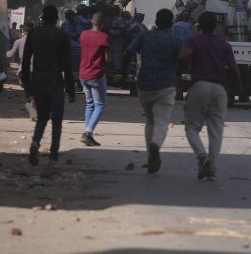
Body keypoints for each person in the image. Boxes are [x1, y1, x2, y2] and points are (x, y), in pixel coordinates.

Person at [176, 12, 242, 181]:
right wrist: (238, 88)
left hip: (199, 86)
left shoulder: (195, 41)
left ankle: (201, 156)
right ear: (215, 27)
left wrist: (178, 74)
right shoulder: (224, 45)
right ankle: (211, 168)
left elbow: (183, 56)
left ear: (199, 25)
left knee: (191, 127)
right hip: (220, 89)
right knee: (216, 131)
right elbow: (234, 69)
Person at [121, 9, 183, 174]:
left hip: (145, 84)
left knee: (150, 120)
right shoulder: (176, 41)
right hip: (166, 86)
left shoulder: (145, 35)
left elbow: (128, 52)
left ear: (156, 21)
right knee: (162, 121)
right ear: (171, 23)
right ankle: (155, 146)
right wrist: (177, 75)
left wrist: (123, 74)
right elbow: (183, 60)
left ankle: (150, 156)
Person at [21, 5, 75, 168]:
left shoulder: (34, 34)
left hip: (38, 81)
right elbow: (67, 65)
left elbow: (25, 60)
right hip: (55, 82)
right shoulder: (61, 35)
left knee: (42, 117)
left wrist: (26, 84)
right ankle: (53, 157)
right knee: (57, 121)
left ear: (43, 17)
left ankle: (36, 143)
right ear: (56, 18)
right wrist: (71, 89)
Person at [79, 12, 110, 146]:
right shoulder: (104, 37)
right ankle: (88, 132)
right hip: (96, 75)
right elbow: (108, 59)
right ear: (102, 24)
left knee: (90, 103)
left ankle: (88, 134)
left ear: (92, 21)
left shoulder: (83, 35)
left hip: (83, 74)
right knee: (100, 105)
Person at [6, 21, 37, 120]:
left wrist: (5, 52)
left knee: (30, 93)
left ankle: (31, 113)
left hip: (21, 73)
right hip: (34, 72)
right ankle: (31, 105)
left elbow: (10, 55)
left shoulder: (18, 41)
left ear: (23, 30)